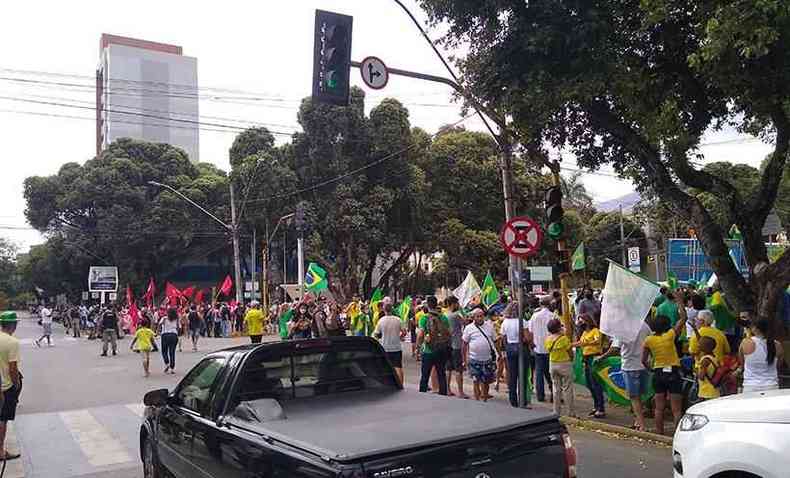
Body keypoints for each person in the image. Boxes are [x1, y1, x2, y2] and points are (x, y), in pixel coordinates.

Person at [642, 295, 687, 435]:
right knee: (676, 409)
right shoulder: (670, 335)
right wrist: (680, 301)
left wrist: (652, 369)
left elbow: (643, 360)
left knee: (659, 407)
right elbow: (683, 319)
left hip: (658, 373)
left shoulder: (648, 340)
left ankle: (659, 432)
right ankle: (677, 435)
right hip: (673, 372)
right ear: (667, 326)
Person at [598, 318, 652, 431]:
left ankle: (642, 425)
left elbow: (614, 348)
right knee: (641, 395)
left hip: (629, 366)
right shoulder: (644, 326)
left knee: (634, 397)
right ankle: (637, 421)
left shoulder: (622, 329)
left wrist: (602, 357)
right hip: (644, 365)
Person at [573, 313, 606, 418]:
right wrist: (570, 345)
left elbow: (597, 341)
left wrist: (586, 343)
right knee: (589, 383)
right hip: (586, 358)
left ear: (587, 321)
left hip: (594, 357)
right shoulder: (584, 332)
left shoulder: (595, 331)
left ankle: (601, 408)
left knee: (595, 383)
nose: (580, 323)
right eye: (579, 321)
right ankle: (596, 405)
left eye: (582, 321)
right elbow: (580, 342)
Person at [739, 318, 784, 393]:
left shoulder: (745, 343)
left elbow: (742, 364)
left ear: (756, 329)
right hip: (771, 386)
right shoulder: (777, 345)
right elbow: (778, 365)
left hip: (750, 386)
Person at [417, 296, 450, 395]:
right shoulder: (443, 317)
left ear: (427, 305)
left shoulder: (424, 317)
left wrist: (418, 347)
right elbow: (449, 333)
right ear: (437, 305)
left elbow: (420, 334)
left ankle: (422, 395)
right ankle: (443, 394)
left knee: (425, 375)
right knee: (441, 374)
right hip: (441, 350)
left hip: (428, 350)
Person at [462, 308, 497, 401]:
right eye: (477, 316)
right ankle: (477, 400)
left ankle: (484, 399)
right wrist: (464, 359)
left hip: (487, 359)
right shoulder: (469, 328)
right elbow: (464, 344)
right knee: (475, 381)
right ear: (473, 317)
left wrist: (498, 354)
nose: (480, 318)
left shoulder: (489, 326)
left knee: (486, 382)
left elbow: (495, 340)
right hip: (474, 359)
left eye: (481, 316)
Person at [0, 312, 22, 461]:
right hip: (5, 387)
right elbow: (13, 369)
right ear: (13, 325)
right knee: (2, 420)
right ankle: (0, 451)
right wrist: (17, 384)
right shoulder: (12, 342)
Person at [500, 303, 531, 407]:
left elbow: (503, 338)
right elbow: (527, 338)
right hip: (522, 348)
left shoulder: (505, 322)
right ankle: (522, 400)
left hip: (510, 348)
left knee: (512, 375)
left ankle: (513, 400)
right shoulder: (523, 322)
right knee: (523, 376)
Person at [545, 318, 575, 417]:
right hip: (564, 364)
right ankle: (570, 412)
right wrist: (571, 360)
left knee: (556, 389)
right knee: (567, 388)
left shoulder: (548, 339)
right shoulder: (564, 339)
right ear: (558, 328)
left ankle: (556, 411)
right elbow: (570, 352)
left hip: (552, 364)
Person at [527, 295, 554, 402]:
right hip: (551, 348)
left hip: (538, 347)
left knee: (539, 372)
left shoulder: (534, 316)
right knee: (551, 373)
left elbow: (530, 331)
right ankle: (554, 393)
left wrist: (532, 343)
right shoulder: (553, 316)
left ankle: (540, 395)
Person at [374, 302, 406, 384]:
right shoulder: (398, 319)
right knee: (398, 367)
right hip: (396, 347)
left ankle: (387, 384)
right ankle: (401, 384)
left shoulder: (381, 321)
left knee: (385, 367)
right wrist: (401, 337)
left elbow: (376, 334)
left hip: (385, 347)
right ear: (392, 309)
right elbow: (404, 331)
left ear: (384, 310)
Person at [445, 297, 469, 399]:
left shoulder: (445, 314)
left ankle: (447, 389)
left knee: (448, 368)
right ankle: (460, 392)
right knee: (458, 369)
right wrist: (462, 311)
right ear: (453, 304)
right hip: (456, 345)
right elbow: (466, 322)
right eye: (457, 303)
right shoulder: (456, 315)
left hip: (447, 344)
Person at [696, 336, 720, 401]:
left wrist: (696, 372)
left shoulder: (705, 360)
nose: (698, 345)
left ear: (705, 347)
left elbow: (701, 376)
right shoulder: (714, 357)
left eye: (700, 344)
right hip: (714, 391)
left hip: (706, 392)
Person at [159, 308, 180, 374]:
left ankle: (167, 363)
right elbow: (178, 327)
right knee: (172, 352)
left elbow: (159, 324)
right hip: (174, 335)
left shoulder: (164, 318)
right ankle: (172, 368)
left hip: (165, 334)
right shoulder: (176, 319)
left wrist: (157, 332)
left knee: (164, 351)